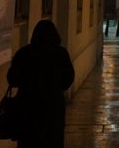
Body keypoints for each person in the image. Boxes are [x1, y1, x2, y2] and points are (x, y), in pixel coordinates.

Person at [7, 19, 75, 148]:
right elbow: (68, 80)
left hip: (28, 108)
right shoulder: (61, 54)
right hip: (53, 108)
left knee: (28, 141)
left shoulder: (24, 53)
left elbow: (12, 79)